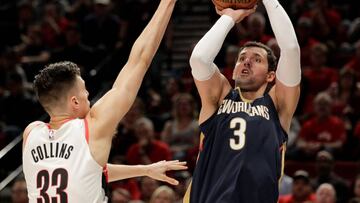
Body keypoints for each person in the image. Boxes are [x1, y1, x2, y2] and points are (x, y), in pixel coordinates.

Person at [22, 0, 183, 202]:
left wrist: (144, 169)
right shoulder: (93, 127)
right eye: (85, 93)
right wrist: (167, 4)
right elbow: (140, 59)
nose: (89, 96)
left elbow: (88, 169)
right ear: (74, 102)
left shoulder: (31, 133)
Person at [183, 0, 301, 201]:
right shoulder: (220, 97)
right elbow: (199, 59)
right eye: (242, 57)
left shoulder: (277, 104)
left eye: (257, 59)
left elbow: (290, 49)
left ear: (271, 76)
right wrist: (229, 17)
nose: (246, 61)